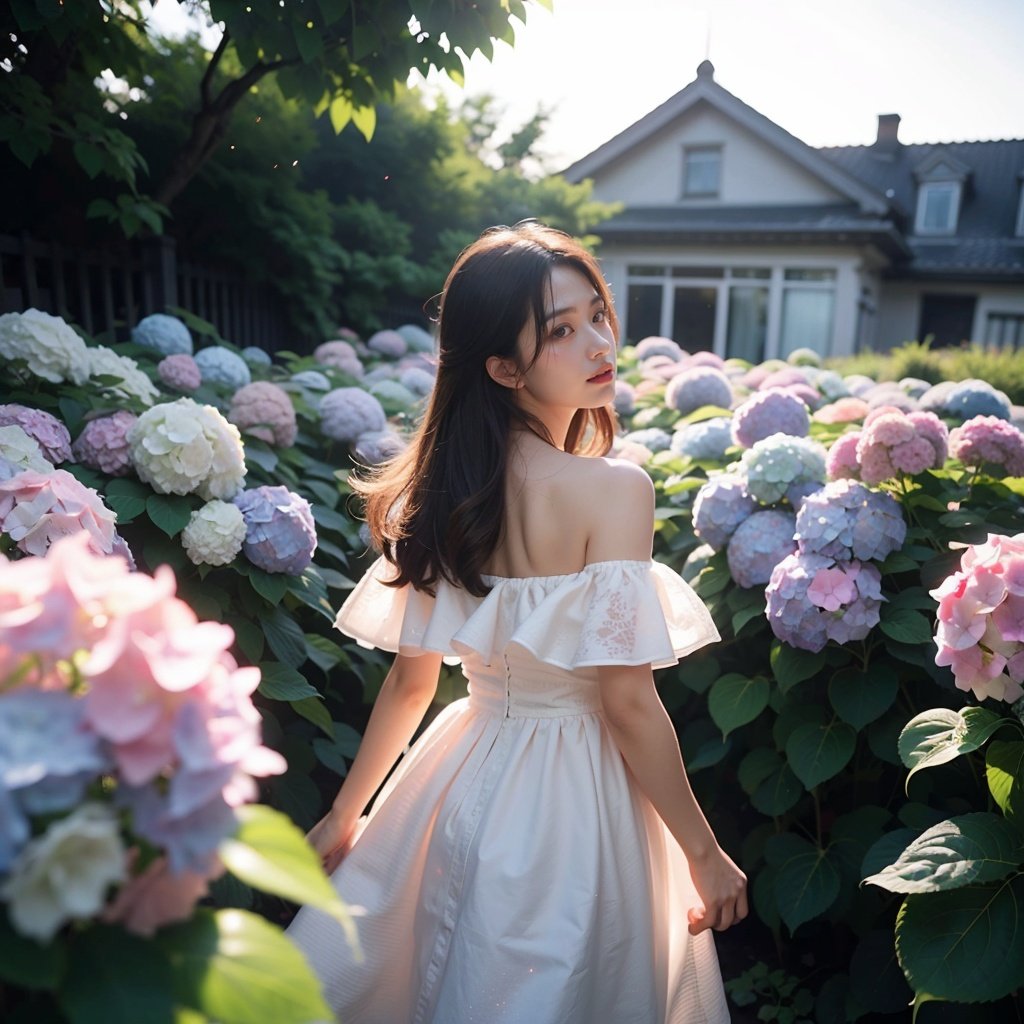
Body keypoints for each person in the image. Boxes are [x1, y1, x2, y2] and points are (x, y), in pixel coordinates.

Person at [287, 221, 746, 1023]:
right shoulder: (614, 489)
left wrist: (347, 812)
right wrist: (704, 855)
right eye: (561, 332)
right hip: (575, 790)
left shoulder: (448, 490)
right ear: (503, 367)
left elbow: (411, 680)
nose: (600, 342)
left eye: (596, 314)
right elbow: (627, 699)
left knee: (444, 974)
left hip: (460, 773)